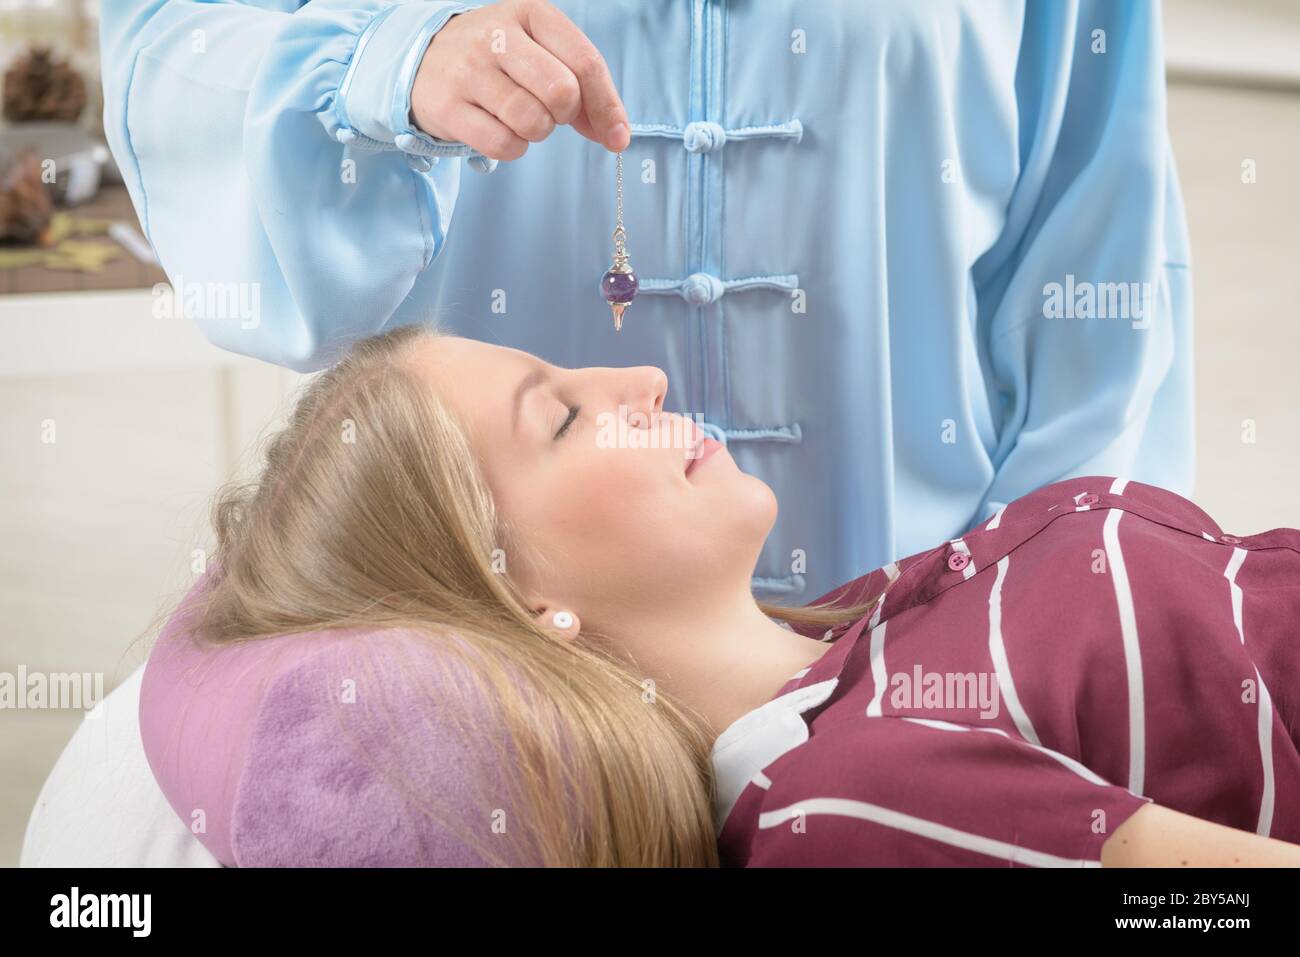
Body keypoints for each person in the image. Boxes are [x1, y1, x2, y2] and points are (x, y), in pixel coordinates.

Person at [99, 0, 1195, 604]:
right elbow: (169, 56)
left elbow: (1092, 248)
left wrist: (1033, 602)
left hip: (925, 605)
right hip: (496, 643)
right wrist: (385, 66)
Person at [161, 323, 1298, 867]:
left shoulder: (854, 629)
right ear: (519, 606)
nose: (638, 377)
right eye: (558, 415)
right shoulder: (848, 803)